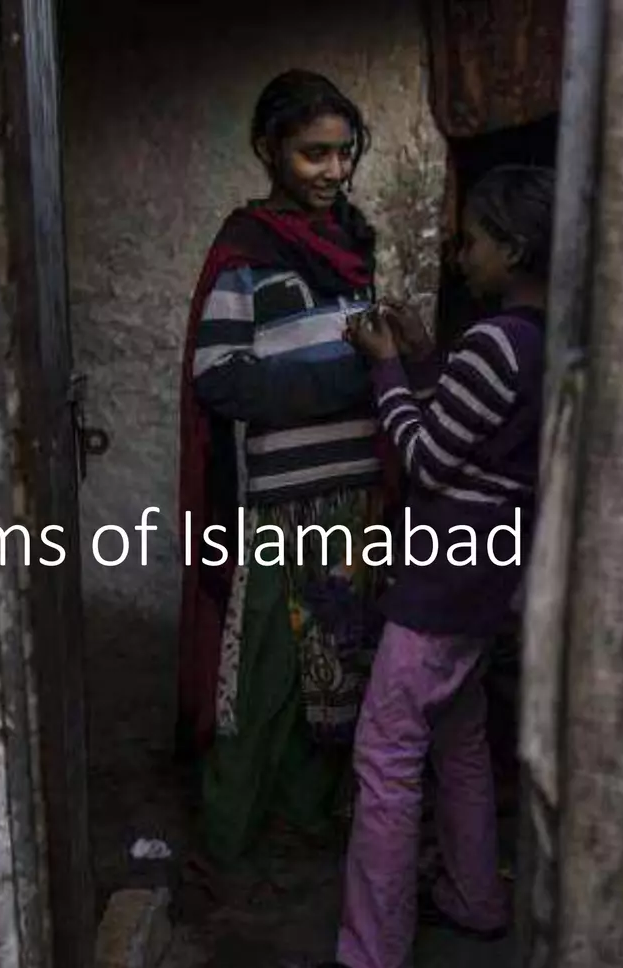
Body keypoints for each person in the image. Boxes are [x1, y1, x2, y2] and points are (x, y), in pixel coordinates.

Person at [285, 165, 555, 968]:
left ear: (510, 250)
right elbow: (477, 433)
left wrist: (383, 369)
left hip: (444, 578)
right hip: (492, 578)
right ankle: (477, 899)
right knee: (462, 739)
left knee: (387, 753)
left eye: (472, 240)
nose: (459, 251)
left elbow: (431, 456)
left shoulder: (496, 341)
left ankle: (373, 964)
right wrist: (424, 356)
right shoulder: (546, 342)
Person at [177, 71, 399, 865]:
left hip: (356, 501)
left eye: (344, 154)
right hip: (284, 506)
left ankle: (306, 822)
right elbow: (221, 377)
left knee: (337, 669)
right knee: (263, 676)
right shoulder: (245, 253)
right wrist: (356, 375)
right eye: (313, 155)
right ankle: (226, 843)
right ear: (270, 150)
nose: (333, 171)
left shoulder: (351, 242)